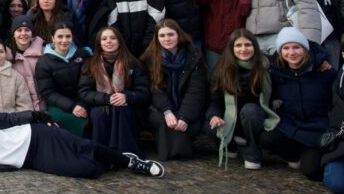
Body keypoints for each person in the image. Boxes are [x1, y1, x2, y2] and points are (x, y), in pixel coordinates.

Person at [0, 103, 164, 178]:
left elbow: (10, 118)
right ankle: (112, 159)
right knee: (87, 170)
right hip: (31, 157)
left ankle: (131, 162)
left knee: (84, 145)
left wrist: (39, 116)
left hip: (34, 135)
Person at [262, 27, 335, 180]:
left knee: (312, 172)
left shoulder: (325, 73)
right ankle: (294, 155)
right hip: (290, 126)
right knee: (266, 138)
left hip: (316, 131)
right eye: (286, 48)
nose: (291, 52)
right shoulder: (275, 72)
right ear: (280, 52)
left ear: (305, 49)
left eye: (297, 47)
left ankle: (311, 157)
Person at [206, 29, 278, 169]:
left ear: (255, 47)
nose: (243, 49)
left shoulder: (267, 66)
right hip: (232, 120)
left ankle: (252, 151)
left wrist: (321, 61)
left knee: (250, 110)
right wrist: (214, 116)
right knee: (209, 127)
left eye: (248, 45)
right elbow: (215, 100)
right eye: (238, 46)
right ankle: (231, 146)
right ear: (231, 48)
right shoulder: (222, 69)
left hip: (257, 119)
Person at [140, 19, 207, 161]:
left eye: (171, 34)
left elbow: (196, 90)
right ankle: (174, 153)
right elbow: (155, 89)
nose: (167, 39)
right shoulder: (150, 58)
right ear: (157, 38)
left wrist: (184, 116)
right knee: (164, 122)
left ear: (179, 35)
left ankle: (176, 151)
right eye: (162, 36)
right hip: (159, 108)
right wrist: (167, 111)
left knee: (189, 126)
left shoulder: (194, 55)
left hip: (186, 107)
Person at [78, 27, 150, 155]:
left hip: (128, 106)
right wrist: (107, 98)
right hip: (100, 104)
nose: (108, 41)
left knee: (120, 109)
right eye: (104, 39)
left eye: (113, 38)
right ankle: (101, 154)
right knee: (98, 115)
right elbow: (84, 92)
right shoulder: (90, 64)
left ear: (120, 41)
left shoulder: (133, 63)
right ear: (99, 43)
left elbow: (143, 92)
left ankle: (124, 153)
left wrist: (126, 96)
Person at [35, 21, 92, 136]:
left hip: (83, 99)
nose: (64, 40)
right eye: (60, 36)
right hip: (58, 105)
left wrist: (81, 104)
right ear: (53, 38)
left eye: (68, 36)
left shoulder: (82, 54)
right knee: (66, 121)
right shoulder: (44, 62)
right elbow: (47, 92)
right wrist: (72, 107)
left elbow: (88, 83)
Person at [4, 16, 46, 112]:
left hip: (44, 103)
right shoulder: (5, 57)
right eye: (19, 30)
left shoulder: (44, 52)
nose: (23, 33)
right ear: (13, 34)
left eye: (27, 30)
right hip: (19, 107)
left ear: (32, 34)